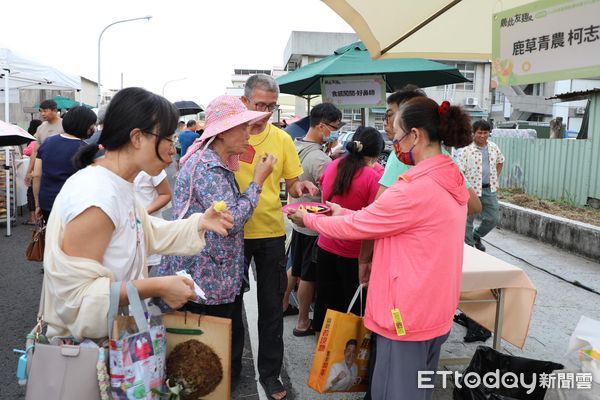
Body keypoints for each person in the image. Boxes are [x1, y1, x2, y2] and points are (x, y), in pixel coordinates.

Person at [289, 96, 473, 400]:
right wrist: (340, 212)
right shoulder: (449, 177)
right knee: (419, 390)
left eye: (397, 135)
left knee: (396, 392)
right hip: (434, 307)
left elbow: (358, 227)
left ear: (416, 135)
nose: (395, 143)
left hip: (406, 314)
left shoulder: (415, 188)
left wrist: (310, 220)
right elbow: (379, 220)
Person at [40, 87, 233, 341]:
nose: (173, 149)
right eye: (168, 138)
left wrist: (199, 223)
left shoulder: (116, 184)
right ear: (137, 138)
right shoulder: (96, 197)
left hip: (113, 342)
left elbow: (143, 230)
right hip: (83, 359)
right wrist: (157, 286)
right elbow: (78, 298)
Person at [158, 95, 276, 380]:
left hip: (214, 272)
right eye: (242, 127)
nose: (249, 134)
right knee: (207, 343)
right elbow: (231, 221)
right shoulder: (208, 167)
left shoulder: (214, 162)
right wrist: (258, 181)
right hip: (205, 273)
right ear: (222, 132)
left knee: (218, 337)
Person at [235, 73, 317, 400]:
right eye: (259, 105)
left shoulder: (282, 139)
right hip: (232, 232)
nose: (265, 112)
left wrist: (302, 188)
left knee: (271, 308)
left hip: (270, 231)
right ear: (244, 102)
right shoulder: (229, 135)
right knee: (228, 305)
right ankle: (232, 368)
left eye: (271, 106)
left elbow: (293, 182)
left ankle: (270, 375)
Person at [310, 126, 384, 335]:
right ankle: (348, 362)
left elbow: (325, 201)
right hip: (354, 255)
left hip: (326, 245)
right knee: (352, 311)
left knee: (325, 305)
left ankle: (322, 356)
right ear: (375, 155)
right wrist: (366, 260)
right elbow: (370, 225)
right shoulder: (373, 178)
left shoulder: (333, 166)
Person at [287, 102, 342, 337]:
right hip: (312, 224)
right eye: (335, 127)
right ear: (321, 126)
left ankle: (282, 305)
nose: (337, 131)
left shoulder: (296, 145)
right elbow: (331, 192)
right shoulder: (320, 159)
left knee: (294, 267)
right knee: (309, 276)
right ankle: (302, 322)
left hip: (297, 217)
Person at [32, 106, 97, 223]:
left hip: (47, 202)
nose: (93, 129)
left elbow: (37, 175)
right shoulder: (86, 150)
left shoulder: (48, 142)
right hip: (73, 205)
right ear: (85, 126)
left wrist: (37, 204)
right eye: (92, 125)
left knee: (51, 237)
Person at [458, 120, 505, 252]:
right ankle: (469, 247)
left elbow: (500, 161)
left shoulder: (494, 147)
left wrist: (495, 177)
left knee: (493, 218)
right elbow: (459, 171)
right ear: (473, 133)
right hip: (471, 190)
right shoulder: (466, 150)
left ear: (489, 133)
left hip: (489, 189)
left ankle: (476, 235)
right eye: (480, 133)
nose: (483, 136)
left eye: (485, 133)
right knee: (467, 221)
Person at [134, 168, 172, 275]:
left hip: (148, 227)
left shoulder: (152, 166)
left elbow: (166, 194)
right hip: (126, 228)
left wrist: (144, 213)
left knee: (143, 271)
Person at [24, 99, 64, 188]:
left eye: (45, 111)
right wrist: (29, 171)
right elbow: (35, 151)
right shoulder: (40, 128)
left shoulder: (65, 125)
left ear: (55, 111)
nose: (42, 114)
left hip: (61, 170)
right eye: (41, 111)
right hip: (44, 170)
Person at [22, 119, 43, 225]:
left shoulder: (34, 141)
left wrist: (28, 173)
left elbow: (28, 154)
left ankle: (33, 217)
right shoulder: (45, 139)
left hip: (35, 171)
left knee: (31, 193)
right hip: (44, 171)